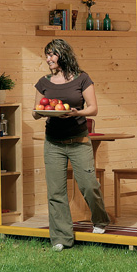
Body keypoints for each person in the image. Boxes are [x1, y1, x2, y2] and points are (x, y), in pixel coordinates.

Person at [33, 38, 110, 251]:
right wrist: (40, 112)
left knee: (88, 184)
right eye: (47, 55)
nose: (48, 59)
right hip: (53, 143)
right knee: (56, 191)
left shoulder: (82, 79)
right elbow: (36, 110)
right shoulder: (43, 82)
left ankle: (100, 219)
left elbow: (93, 108)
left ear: (63, 55)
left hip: (79, 141)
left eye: (52, 54)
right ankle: (61, 238)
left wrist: (77, 112)